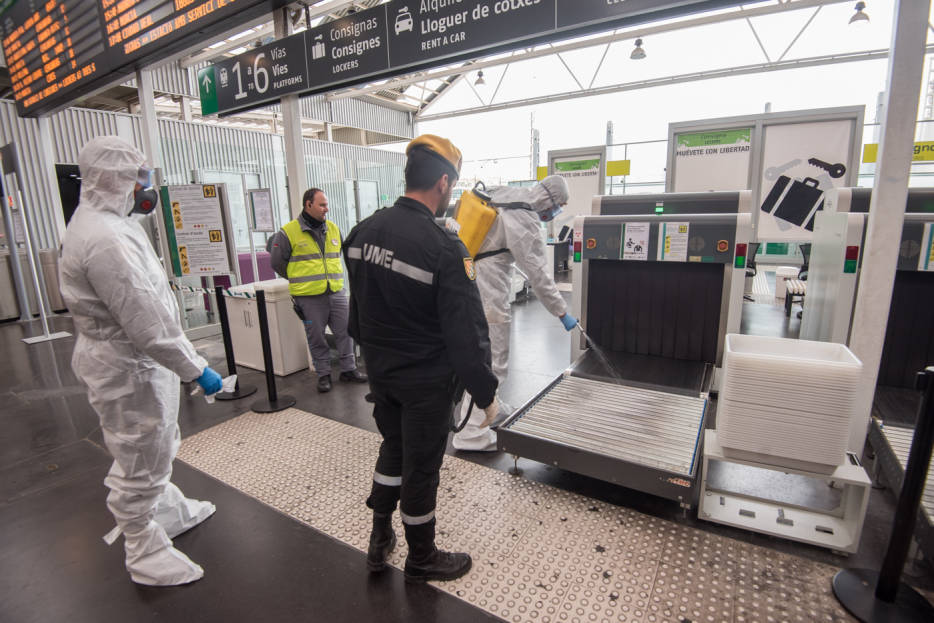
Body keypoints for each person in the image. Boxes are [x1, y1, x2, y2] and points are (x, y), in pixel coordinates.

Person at [59, 136, 223, 586]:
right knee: (139, 450)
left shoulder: (109, 222)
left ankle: (164, 510)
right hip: (127, 364)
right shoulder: (104, 237)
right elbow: (146, 321)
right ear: (117, 179)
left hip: (136, 362)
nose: (145, 187)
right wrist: (196, 368)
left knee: (156, 442)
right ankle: (142, 548)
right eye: (140, 177)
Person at [343, 134, 499, 583]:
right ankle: (422, 556)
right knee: (423, 466)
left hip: (381, 373)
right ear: (444, 183)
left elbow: (359, 309)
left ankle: (379, 539)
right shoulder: (445, 249)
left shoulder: (362, 231)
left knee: (393, 447)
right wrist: (486, 394)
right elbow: (467, 334)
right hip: (425, 385)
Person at [452, 175, 578, 451]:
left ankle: (491, 409)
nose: (555, 212)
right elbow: (538, 273)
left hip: (472, 280)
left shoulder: (508, 195)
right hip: (488, 288)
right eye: (558, 205)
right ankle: (472, 434)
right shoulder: (524, 216)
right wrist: (561, 312)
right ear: (550, 198)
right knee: (492, 359)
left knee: (485, 355)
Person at [267, 188, 367, 392]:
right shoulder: (288, 232)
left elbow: (337, 255)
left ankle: (349, 369)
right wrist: (299, 278)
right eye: (322, 205)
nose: (326, 209)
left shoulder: (333, 228)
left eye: (326, 204)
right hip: (308, 297)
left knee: (345, 332)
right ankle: (324, 374)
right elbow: (278, 263)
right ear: (308, 205)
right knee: (316, 337)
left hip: (336, 292)